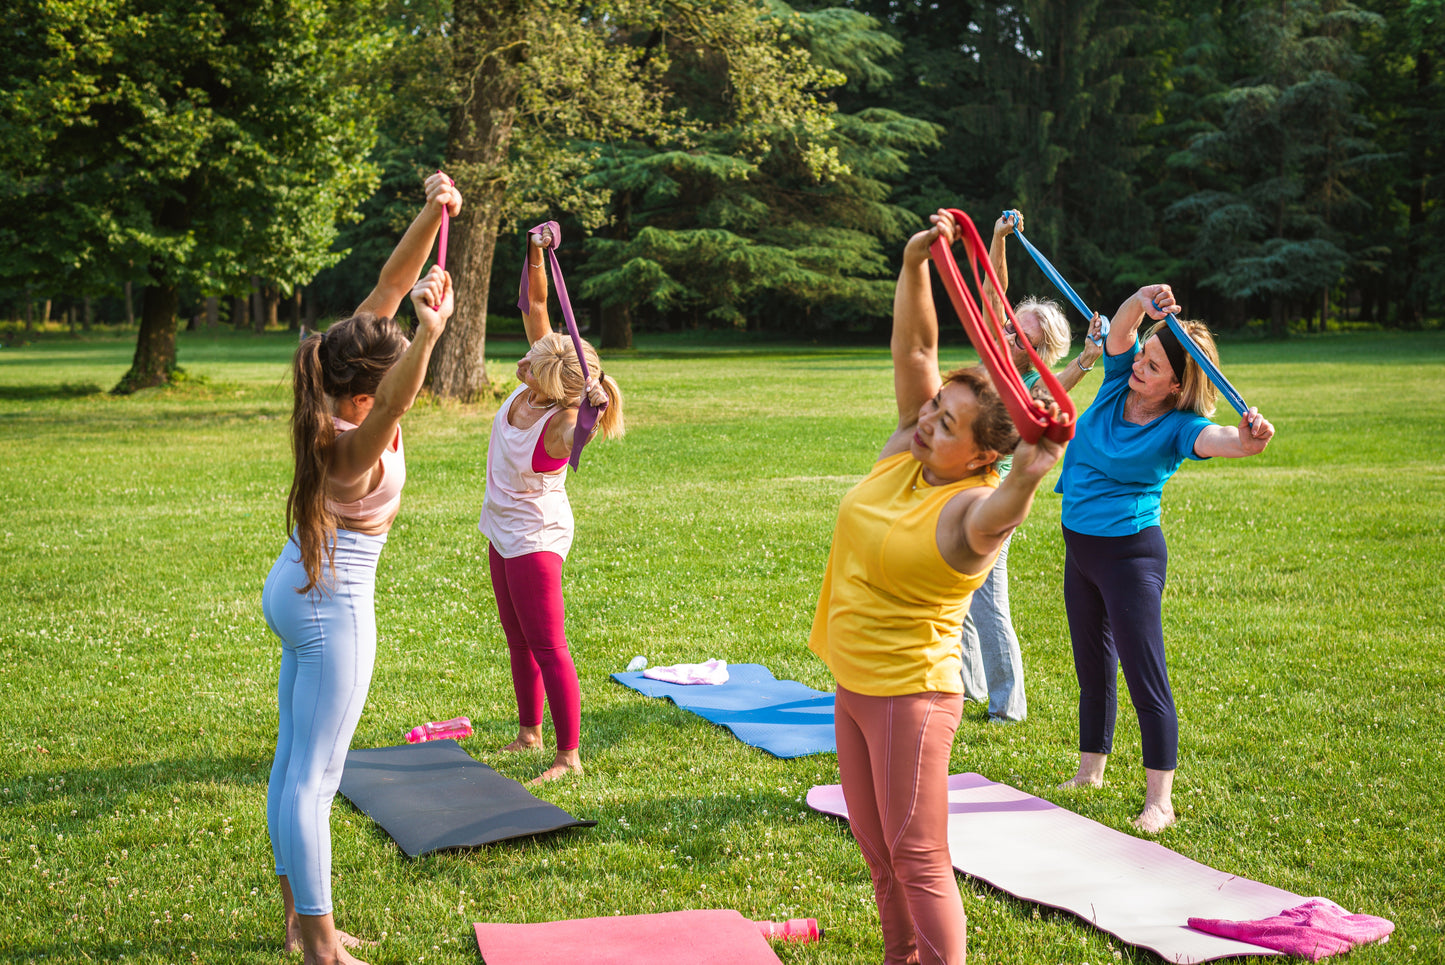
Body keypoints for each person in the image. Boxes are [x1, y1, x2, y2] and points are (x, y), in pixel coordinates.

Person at [808, 209, 1067, 965]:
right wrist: (915, 264)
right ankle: (899, 958)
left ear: (981, 454)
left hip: (910, 697)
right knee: (876, 849)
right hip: (852, 682)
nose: (926, 422)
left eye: (946, 423)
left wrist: (1027, 470)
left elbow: (1008, 502)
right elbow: (917, 346)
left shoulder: (969, 511)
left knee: (917, 856)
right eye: (931, 408)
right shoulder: (905, 451)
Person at [261, 173, 459, 965]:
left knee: (290, 767)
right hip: (331, 604)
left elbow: (391, 282)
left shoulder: (342, 371)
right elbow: (396, 407)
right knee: (314, 775)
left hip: (300, 587)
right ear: (369, 382)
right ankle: (320, 949)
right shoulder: (349, 443)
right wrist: (435, 336)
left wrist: (435, 207)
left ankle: (300, 924)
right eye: (402, 355)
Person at [1054, 283, 1274, 833]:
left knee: (1144, 676)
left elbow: (1223, 438)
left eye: (1153, 366)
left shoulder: (1179, 427)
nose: (1139, 366)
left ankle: (1160, 801)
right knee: (1092, 665)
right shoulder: (1113, 384)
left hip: (1130, 557)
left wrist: (1249, 442)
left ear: (1178, 385)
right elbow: (1124, 328)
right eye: (1143, 356)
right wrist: (1142, 299)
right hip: (1079, 547)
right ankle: (1090, 772)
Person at [479, 225, 624, 784]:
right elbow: (536, 302)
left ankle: (568, 754)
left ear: (550, 386)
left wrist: (591, 410)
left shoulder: (560, 422)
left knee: (548, 644)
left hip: (536, 538)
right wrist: (536, 252)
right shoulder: (543, 374)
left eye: (529, 366)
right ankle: (528, 731)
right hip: (501, 526)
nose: (520, 364)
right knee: (517, 636)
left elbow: (580, 435)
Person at [960, 211, 1105, 722]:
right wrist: (998, 238)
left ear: (1037, 351)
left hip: (990, 501)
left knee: (988, 601)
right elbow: (992, 291)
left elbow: (1058, 383)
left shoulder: (1030, 388)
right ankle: (970, 688)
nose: (1006, 335)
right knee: (958, 599)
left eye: (1018, 337)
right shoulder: (994, 354)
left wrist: (1088, 358)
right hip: (956, 493)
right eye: (1008, 326)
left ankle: (1008, 706)